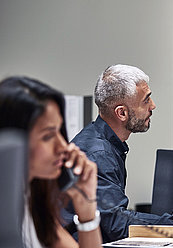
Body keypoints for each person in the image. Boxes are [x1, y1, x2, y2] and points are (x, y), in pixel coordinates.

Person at [62, 64, 173, 243]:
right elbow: (118, 225)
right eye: (146, 100)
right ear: (121, 113)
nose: (153, 106)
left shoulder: (101, 142)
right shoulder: (98, 154)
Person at [0, 76, 102, 247]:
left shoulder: (30, 200)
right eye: (48, 136)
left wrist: (87, 210)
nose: (63, 146)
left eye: (59, 131)